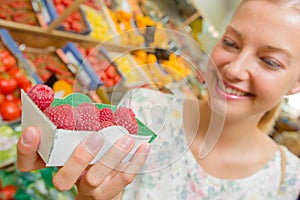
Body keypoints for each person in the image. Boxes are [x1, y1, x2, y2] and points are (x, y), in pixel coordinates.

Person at [16, 0, 300, 199]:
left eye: (270, 62)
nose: (234, 69)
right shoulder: (143, 110)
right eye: (230, 43)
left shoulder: (288, 182)